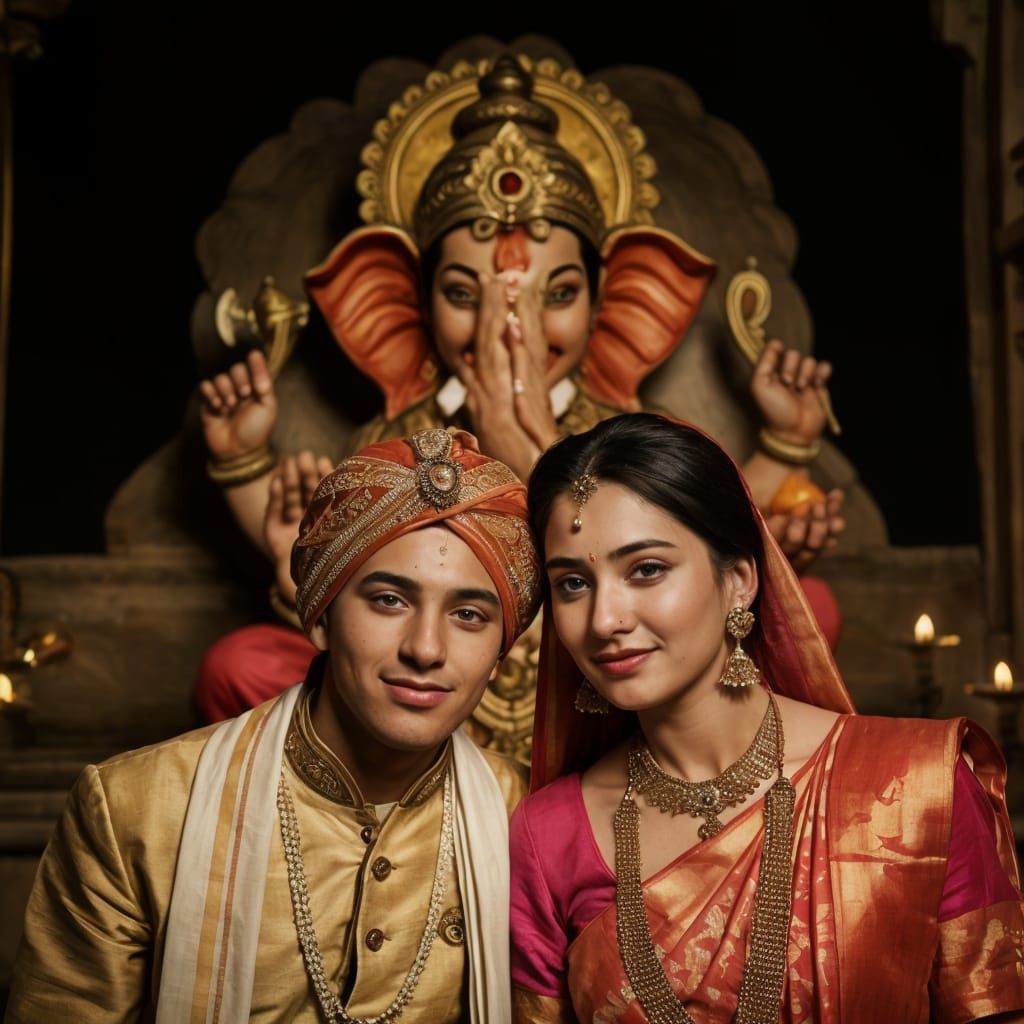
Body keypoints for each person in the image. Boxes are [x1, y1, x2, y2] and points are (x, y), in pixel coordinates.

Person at [196, 54, 845, 739]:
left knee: (812, 611)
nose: (510, 327)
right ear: (400, 304)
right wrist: (243, 465)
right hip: (438, 684)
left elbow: (694, 534)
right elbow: (351, 605)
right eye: (462, 295)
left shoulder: (623, 432)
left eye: (557, 295)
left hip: (596, 677)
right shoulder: (397, 437)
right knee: (238, 664)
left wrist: (783, 447)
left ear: (616, 304)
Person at [8, 428, 540, 1023]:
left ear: (501, 654)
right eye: (390, 599)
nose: (425, 647)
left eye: (468, 615)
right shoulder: (135, 812)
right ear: (317, 614)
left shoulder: (530, 821)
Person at [510, 413, 1024, 1023]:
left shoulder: (920, 788)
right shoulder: (547, 837)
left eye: (646, 569)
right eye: (573, 583)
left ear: (739, 582)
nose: (604, 620)